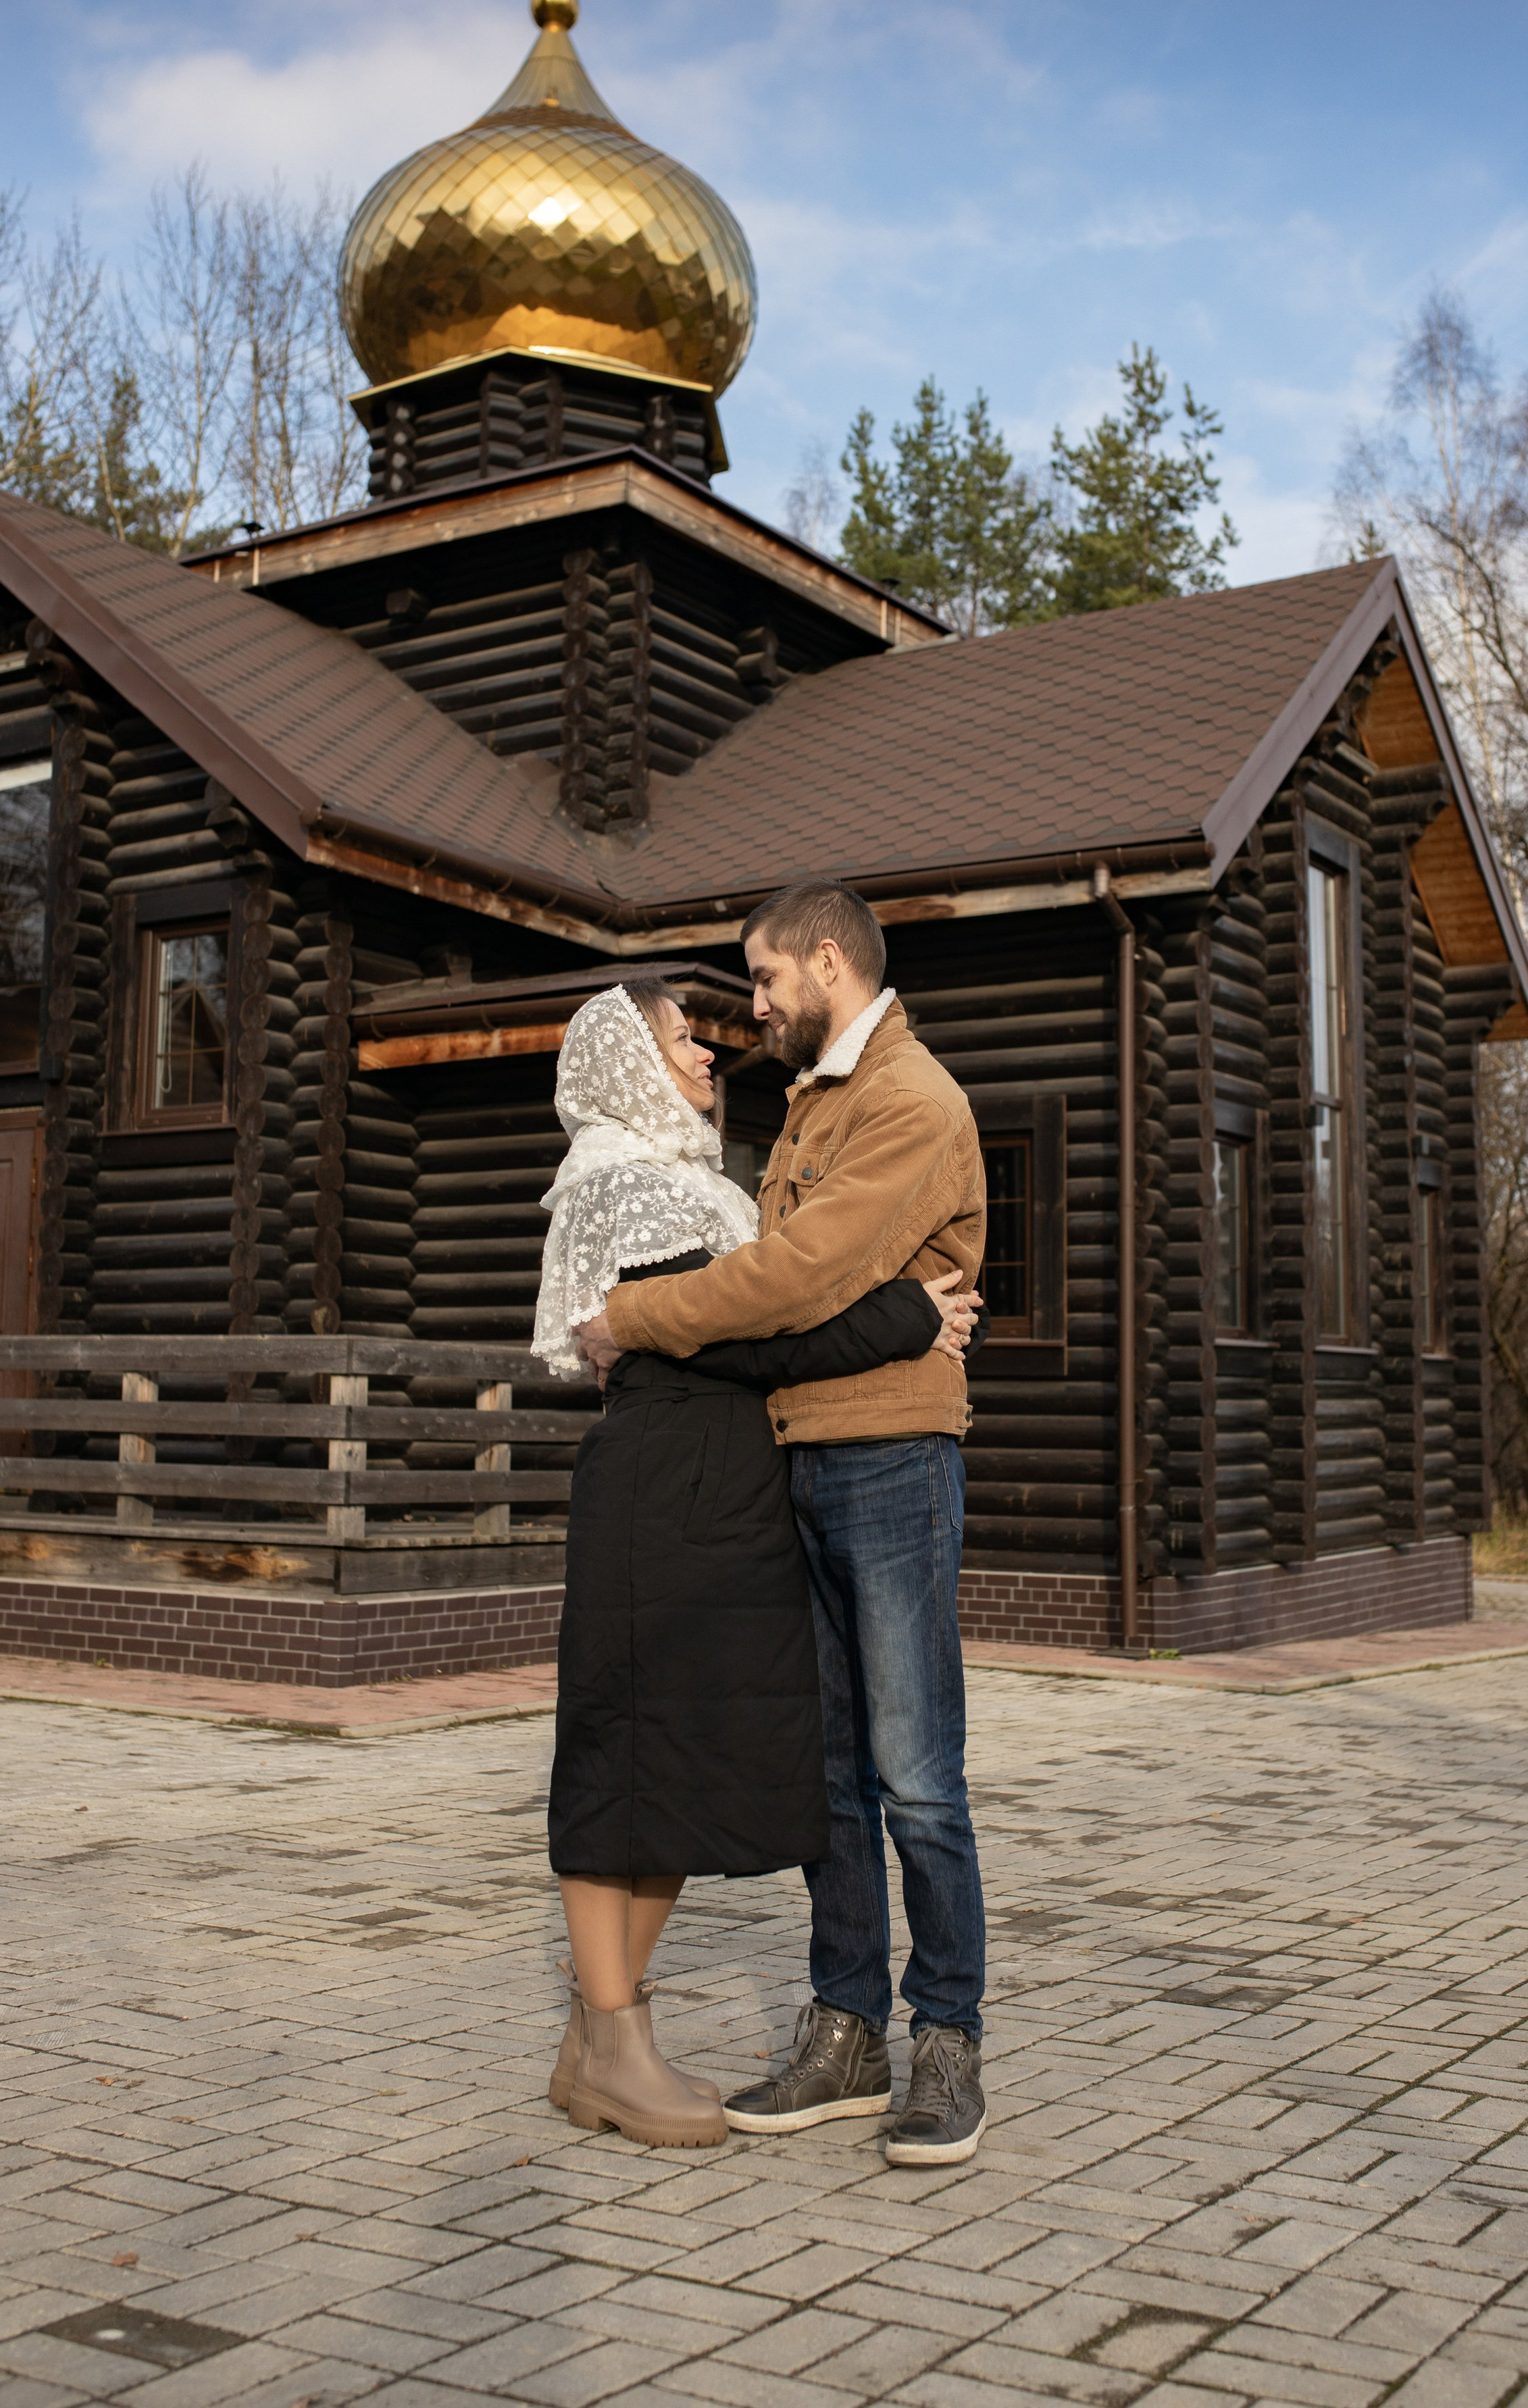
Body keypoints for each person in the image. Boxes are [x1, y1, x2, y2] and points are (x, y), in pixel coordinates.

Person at [578, 883, 991, 2168]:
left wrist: (633, 1317)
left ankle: (946, 2043)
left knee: (917, 1774)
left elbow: (794, 1278)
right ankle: (847, 2027)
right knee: (830, 1774)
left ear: (828, 959)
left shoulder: (914, 1102)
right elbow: (783, 1308)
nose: (751, 1009)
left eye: (764, 979)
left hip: (889, 1457)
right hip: (797, 1454)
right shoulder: (816, 1100)